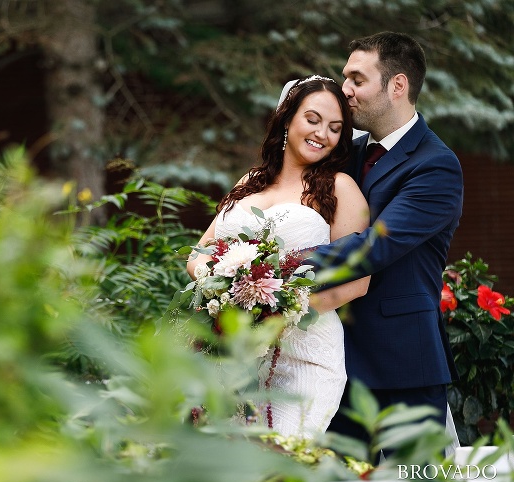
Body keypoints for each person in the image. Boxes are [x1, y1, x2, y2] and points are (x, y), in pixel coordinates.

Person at [186, 76, 371, 438]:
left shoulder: (340, 188)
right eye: (313, 119)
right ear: (288, 119)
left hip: (303, 352)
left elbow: (359, 282)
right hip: (228, 350)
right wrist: (222, 287)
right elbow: (200, 252)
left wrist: (275, 317)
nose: (323, 134)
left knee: (282, 462)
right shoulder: (249, 182)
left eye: (336, 128)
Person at [308, 32, 463, 445]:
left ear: (397, 86)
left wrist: (281, 267)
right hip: (333, 362)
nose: (345, 90)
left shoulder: (436, 166)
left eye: (357, 79)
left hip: (403, 366)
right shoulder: (347, 153)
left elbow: (375, 246)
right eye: (345, 78)